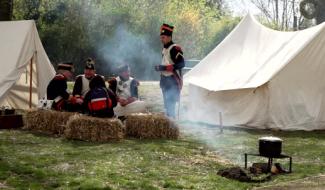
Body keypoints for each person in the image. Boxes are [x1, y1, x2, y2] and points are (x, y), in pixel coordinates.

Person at [154, 23, 185, 118]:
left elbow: (181, 64)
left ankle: (172, 124)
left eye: (163, 37)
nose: (161, 39)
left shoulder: (175, 48)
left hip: (173, 80)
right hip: (165, 80)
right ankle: (170, 123)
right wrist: (160, 68)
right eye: (161, 37)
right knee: (167, 106)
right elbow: (167, 62)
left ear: (169, 37)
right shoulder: (164, 48)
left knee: (171, 105)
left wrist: (164, 68)